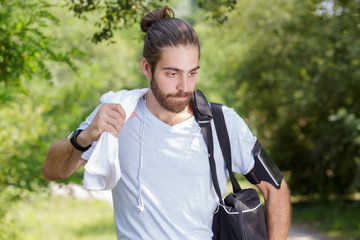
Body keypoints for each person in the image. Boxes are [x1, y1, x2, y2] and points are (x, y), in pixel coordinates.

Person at [42, 6, 291, 240]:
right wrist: (84, 137)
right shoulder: (116, 114)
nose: (184, 87)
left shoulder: (223, 123)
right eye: (172, 74)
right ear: (147, 69)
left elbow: (276, 189)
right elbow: (52, 171)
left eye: (192, 73)